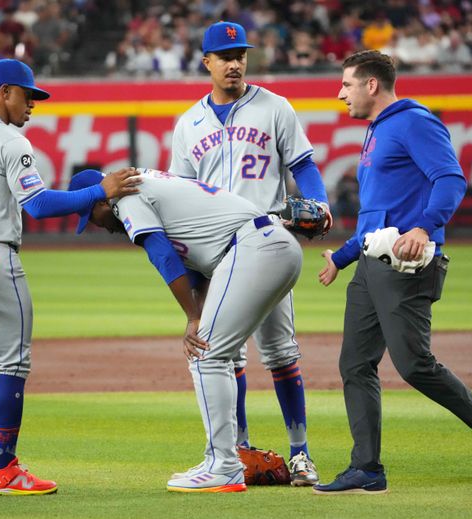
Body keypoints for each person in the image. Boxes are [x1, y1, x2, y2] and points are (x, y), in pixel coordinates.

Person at [314, 50, 472, 495]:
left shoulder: (414, 121)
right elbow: (377, 217)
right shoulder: (376, 131)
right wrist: (342, 257)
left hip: (407, 266)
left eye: (346, 84)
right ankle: (366, 467)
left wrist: (425, 227)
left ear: (372, 85)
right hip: (371, 266)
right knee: (355, 363)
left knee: (413, 365)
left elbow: (451, 179)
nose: (340, 93)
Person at [0, 58, 140, 497]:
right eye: (28, 96)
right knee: (10, 364)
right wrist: (100, 190)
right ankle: (4, 468)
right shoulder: (10, 140)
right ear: (4, 92)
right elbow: (39, 205)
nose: (32, 105)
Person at [69, 168, 304, 493]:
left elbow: (163, 255)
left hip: (254, 250)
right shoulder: (152, 185)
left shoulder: (126, 196)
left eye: (92, 217)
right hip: (270, 246)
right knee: (218, 350)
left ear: (101, 202)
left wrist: (193, 317)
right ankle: (227, 459)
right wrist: (198, 312)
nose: (100, 227)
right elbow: (201, 269)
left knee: (204, 351)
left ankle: (223, 465)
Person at [168, 20, 332, 486]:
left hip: (264, 243)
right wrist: (194, 294)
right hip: (213, 253)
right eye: (225, 56)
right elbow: (180, 197)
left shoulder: (275, 107)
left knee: (281, 352)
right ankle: (236, 448)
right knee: (226, 353)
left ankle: (299, 453)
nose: (236, 62)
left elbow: (303, 166)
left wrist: (318, 203)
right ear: (207, 62)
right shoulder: (188, 125)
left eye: (241, 54)